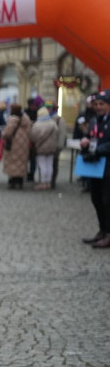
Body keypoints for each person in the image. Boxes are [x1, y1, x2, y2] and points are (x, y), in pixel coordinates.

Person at [80, 89, 110, 248]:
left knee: (107, 201)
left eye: (102, 104)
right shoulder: (94, 120)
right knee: (96, 199)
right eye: (97, 104)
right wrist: (85, 142)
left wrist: (97, 149)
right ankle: (102, 231)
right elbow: (92, 138)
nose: (98, 107)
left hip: (108, 167)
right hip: (95, 167)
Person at [1, 104, 32, 189]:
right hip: (24, 145)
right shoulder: (26, 119)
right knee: (21, 162)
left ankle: (13, 181)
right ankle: (20, 181)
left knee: (13, 162)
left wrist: (2, 134)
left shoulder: (12, 119)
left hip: (14, 144)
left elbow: (7, 133)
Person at [30, 107, 59, 190]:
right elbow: (57, 134)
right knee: (49, 165)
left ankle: (42, 182)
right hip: (51, 148)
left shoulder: (37, 124)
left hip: (41, 148)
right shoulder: (53, 123)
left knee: (42, 166)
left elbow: (32, 137)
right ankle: (48, 183)